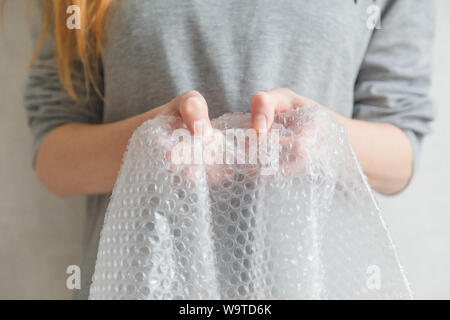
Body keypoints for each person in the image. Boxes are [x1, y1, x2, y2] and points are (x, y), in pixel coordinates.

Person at [23, 0, 435, 299]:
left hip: (317, 284)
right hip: (141, 283)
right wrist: (148, 147)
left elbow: (399, 152)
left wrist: (324, 141)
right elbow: (54, 156)